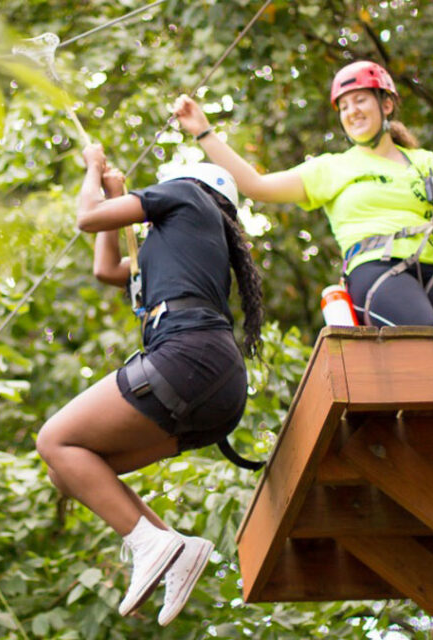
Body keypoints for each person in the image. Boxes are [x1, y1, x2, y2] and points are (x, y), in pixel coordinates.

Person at [35, 143, 264, 626]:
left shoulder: (185, 193)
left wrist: (94, 173)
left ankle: (147, 541)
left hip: (189, 358)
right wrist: (118, 194)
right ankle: (173, 549)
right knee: (69, 469)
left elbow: (88, 218)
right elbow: (107, 269)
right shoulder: (182, 248)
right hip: (215, 387)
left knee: (52, 439)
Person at [174, 60, 433, 327]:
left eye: (361, 100)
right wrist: (205, 133)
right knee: (426, 335)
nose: (352, 111)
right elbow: (257, 186)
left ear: (386, 104)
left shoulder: (425, 163)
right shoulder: (331, 168)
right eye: (345, 106)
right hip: (378, 271)